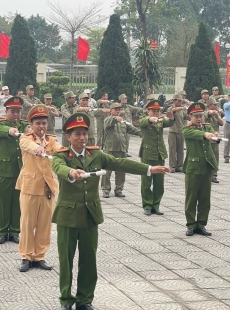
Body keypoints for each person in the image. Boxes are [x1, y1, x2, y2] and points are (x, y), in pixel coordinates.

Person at [51, 112, 169, 310]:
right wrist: (71, 172)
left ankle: (85, 299)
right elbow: (59, 168)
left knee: (89, 261)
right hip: (67, 217)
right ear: (68, 137)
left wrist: (149, 169)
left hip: (90, 216)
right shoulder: (61, 156)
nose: (82, 138)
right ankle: (66, 299)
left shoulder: (95, 154)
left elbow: (120, 162)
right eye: (77, 134)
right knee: (66, 260)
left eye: (84, 134)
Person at [16, 105, 60, 272]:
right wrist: (38, 148)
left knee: (45, 224)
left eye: (44, 123)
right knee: (27, 223)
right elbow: (29, 147)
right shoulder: (25, 138)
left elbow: (59, 150)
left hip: (48, 188)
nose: (41, 127)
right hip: (30, 186)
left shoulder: (52, 140)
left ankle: (39, 256)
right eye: (38, 123)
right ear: (31, 125)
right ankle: (26, 256)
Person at [0, 96, 29, 244]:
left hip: (20, 170)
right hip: (3, 170)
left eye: (18, 111)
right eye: (12, 111)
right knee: (2, 201)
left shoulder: (25, 125)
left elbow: (30, 129)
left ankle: (14, 231)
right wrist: (10, 130)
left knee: (17, 202)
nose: (16, 114)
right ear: (6, 111)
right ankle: (1, 231)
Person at [183, 103, 218, 237]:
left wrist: (214, 134)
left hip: (206, 166)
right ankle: (191, 224)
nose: (199, 119)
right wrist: (206, 134)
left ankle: (201, 224)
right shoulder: (187, 129)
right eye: (196, 116)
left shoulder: (206, 126)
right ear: (190, 116)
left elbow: (211, 132)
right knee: (191, 198)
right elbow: (197, 134)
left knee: (205, 198)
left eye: (200, 116)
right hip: (193, 168)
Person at [139, 100, 174, 215]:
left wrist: (171, 117)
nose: (156, 113)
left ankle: (156, 205)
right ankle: (147, 205)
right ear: (148, 111)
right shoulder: (144, 120)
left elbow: (169, 123)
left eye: (158, 111)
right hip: (148, 154)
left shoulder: (160, 121)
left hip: (160, 154)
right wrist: (150, 119)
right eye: (153, 111)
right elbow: (142, 122)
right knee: (146, 182)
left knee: (159, 183)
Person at [101, 102, 141, 198]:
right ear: (111, 111)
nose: (118, 111)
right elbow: (109, 122)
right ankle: (106, 190)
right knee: (107, 171)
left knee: (121, 171)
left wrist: (143, 134)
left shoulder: (123, 122)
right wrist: (115, 119)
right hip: (110, 149)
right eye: (116, 109)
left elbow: (132, 129)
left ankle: (119, 189)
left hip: (121, 149)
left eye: (119, 109)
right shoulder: (108, 119)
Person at [203, 98, 224, 183]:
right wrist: (210, 112)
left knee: (215, 158)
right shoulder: (204, 113)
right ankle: (206, 174)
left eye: (216, 105)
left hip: (215, 140)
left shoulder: (217, 113)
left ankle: (214, 175)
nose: (216, 106)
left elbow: (222, 123)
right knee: (206, 157)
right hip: (207, 139)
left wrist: (217, 116)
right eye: (214, 104)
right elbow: (206, 114)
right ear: (209, 105)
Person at [168, 94, 189, 173]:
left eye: (181, 101)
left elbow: (185, 117)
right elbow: (171, 112)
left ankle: (179, 166)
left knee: (180, 150)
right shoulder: (171, 108)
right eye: (179, 101)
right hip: (173, 131)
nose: (180, 102)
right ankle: (172, 166)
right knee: (172, 150)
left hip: (181, 131)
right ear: (174, 101)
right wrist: (182, 107)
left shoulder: (182, 110)